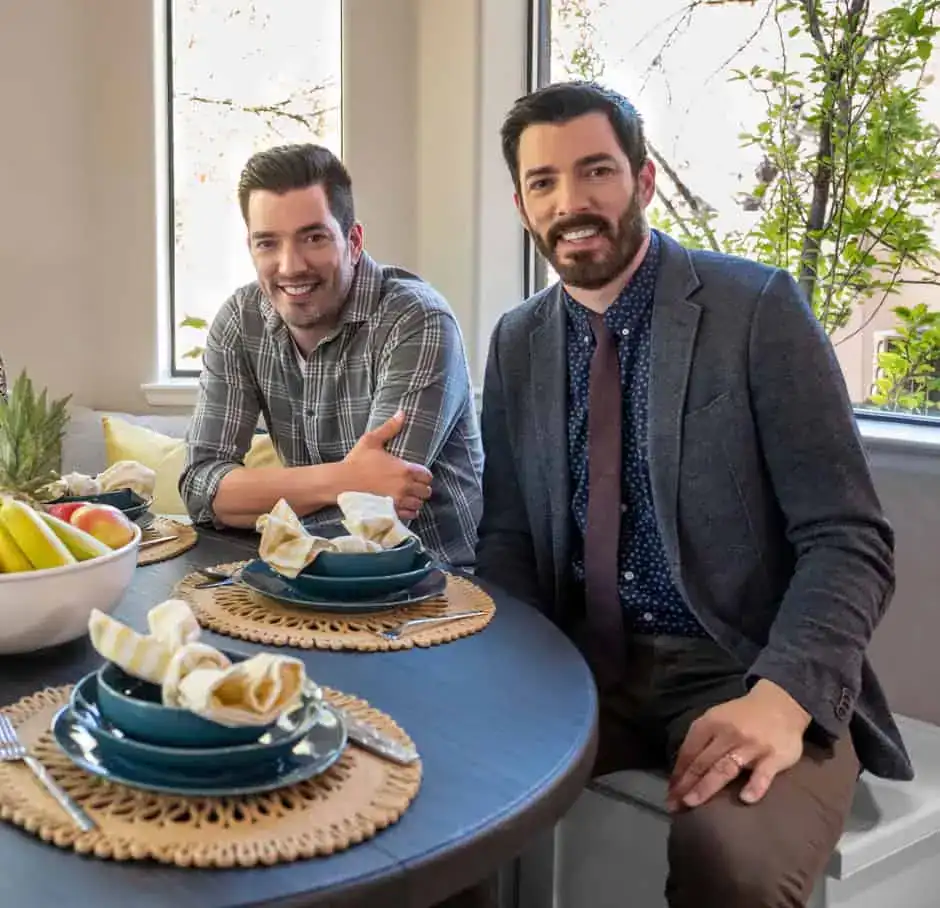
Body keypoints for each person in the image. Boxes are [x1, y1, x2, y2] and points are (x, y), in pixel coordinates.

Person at [473, 80, 913, 907]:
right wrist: (500, 673)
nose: (571, 203)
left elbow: (849, 539)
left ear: (642, 181)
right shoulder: (518, 340)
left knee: (733, 864)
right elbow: (507, 542)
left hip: (744, 666)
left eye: (596, 171)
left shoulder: (758, 309)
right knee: (437, 791)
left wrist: (783, 700)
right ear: (522, 202)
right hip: (575, 665)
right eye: (544, 182)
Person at [180, 143, 483, 566]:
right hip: (298, 578)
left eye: (314, 237)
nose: (290, 266)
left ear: (353, 241)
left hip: (434, 589)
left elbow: (376, 514)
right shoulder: (239, 319)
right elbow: (199, 487)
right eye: (268, 243)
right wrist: (343, 478)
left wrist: (249, 498)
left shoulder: (417, 320)